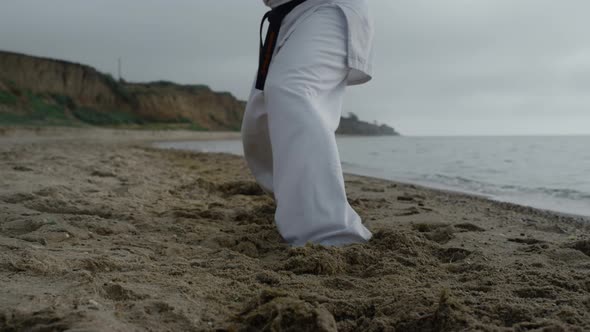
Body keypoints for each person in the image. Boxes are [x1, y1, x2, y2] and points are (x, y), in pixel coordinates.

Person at [241, 0, 374, 246]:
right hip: (287, 13)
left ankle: (330, 234)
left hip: (327, 5)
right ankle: (295, 200)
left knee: (292, 89)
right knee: (259, 118)